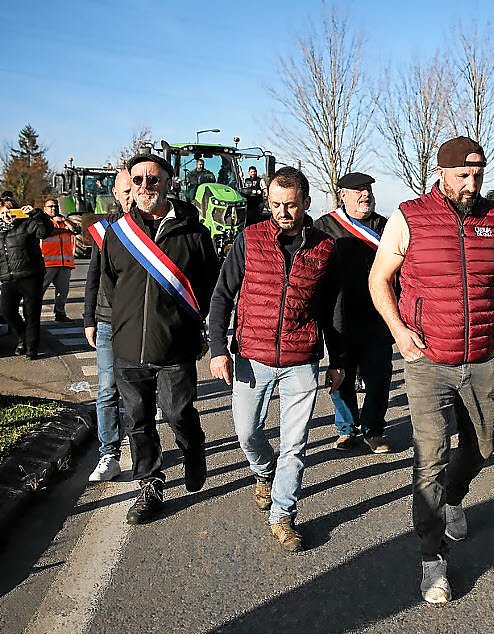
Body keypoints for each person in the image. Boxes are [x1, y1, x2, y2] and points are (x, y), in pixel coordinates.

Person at [369, 136, 494, 604]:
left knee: (482, 448)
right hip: (427, 360)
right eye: (462, 175)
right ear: (442, 172)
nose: (472, 183)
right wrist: (399, 333)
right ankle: (432, 558)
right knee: (430, 457)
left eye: (478, 174)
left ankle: (454, 498)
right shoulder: (408, 216)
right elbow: (379, 279)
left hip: (483, 358)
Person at [208, 166, 344, 552]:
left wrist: (338, 360)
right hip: (252, 356)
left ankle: (283, 514)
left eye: (291, 204)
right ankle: (264, 472)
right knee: (247, 433)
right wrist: (218, 349)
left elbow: (333, 308)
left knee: (295, 443)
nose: (283, 212)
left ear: (306, 203)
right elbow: (222, 295)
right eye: (276, 204)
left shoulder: (325, 248)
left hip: (301, 359)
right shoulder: (250, 239)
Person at [101, 153, 220, 524]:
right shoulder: (118, 234)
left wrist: (193, 328)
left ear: (169, 183)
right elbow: (110, 285)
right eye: (137, 180)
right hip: (127, 348)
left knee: (177, 413)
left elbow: (210, 288)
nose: (144, 187)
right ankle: (150, 484)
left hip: (175, 347)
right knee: (138, 420)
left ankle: (193, 447)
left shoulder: (194, 233)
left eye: (153, 179)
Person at [314, 171, 394, 454]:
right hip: (339, 316)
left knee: (379, 376)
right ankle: (346, 429)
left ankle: (373, 430)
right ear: (343, 195)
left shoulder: (384, 226)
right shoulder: (325, 226)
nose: (365, 195)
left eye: (368, 190)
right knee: (341, 375)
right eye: (358, 191)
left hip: (378, 315)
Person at [84, 169, 131, 481]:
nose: (131, 196)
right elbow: (93, 275)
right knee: (106, 390)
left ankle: (142, 444)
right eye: (125, 191)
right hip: (106, 321)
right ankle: (109, 454)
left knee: (140, 390)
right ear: (115, 194)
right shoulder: (105, 231)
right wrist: (88, 318)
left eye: (134, 189)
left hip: (140, 322)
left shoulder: (153, 229)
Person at [0, 198, 52, 359]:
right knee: (6, 311)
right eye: (3, 212)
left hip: (30, 275)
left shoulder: (27, 224)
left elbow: (45, 231)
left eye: (9, 211)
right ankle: (23, 336)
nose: (6, 215)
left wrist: (37, 214)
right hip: (7, 278)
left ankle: (31, 347)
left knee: (32, 314)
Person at [39, 198, 78, 322]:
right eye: (50, 206)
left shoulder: (63, 221)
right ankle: (32, 314)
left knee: (63, 291)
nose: (54, 208)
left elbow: (76, 230)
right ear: (45, 208)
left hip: (64, 262)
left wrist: (65, 220)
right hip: (47, 263)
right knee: (39, 290)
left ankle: (60, 313)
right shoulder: (42, 221)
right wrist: (64, 230)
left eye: (55, 206)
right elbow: (46, 232)